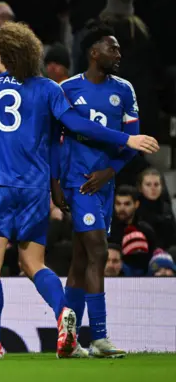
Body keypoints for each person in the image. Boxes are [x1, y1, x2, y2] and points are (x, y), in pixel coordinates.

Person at [0, 22, 159, 360]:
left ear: (4, 57)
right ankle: (62, 313)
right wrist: (125, 138)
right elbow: (77, 124)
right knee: (34, 263)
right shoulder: (50, 90)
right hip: (35, 188)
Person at [59, 21, 139, 359]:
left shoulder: (124, 90)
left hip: (103, 183)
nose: (118, 54)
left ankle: (69, 341)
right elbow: (55, 139)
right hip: (79, 182)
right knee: (99, 252)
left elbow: (133, 143)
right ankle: (100, 338)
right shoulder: (67, 89)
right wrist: (56, 183)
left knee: (80, 262)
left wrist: (110, 172)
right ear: (94, 53)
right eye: (112, 48)